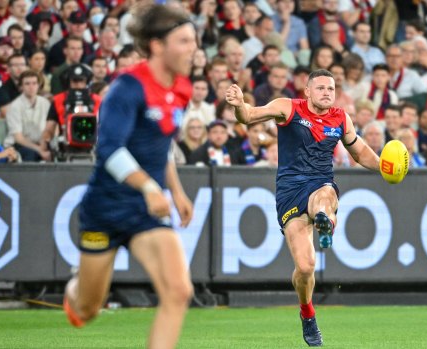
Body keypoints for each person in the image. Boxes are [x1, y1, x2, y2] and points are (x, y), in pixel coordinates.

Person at [62, 6, 197, 349]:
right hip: (105, 209)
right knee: (87, 309)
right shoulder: (126, 88)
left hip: (144, 212)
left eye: (194, 41)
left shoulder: (182, 87)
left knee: (179, 291)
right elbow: (109, 150)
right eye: (183, 41)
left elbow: (160, 144)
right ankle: (75, 289)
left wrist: (176, 192)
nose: (192, 49)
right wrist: (151, 187)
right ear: (156, 45)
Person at [225, 68, 381, 346]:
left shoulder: (341, 118)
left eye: (331, 89)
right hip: (289, 192)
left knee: (324, 196)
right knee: (306, 267)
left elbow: (358, 151)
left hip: (320, 183)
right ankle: (308, 313)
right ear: (307, 91)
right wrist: (239, 106)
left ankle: (324, 219)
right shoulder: (288, 108)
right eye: (320, 88)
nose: (326, 93)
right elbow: (248, 116)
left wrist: (383, 166)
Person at [4, 70, 51, 161]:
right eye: (27, 84)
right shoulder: (15, 106)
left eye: (34, 83)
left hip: (40, 143)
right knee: (31, 154)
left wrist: (43, 145)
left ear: (38, 85)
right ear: (21, 87)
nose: (31, 87)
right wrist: (39, 149)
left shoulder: (45, 103)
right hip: (18, 145)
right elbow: (19, 138)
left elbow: (50, 128)